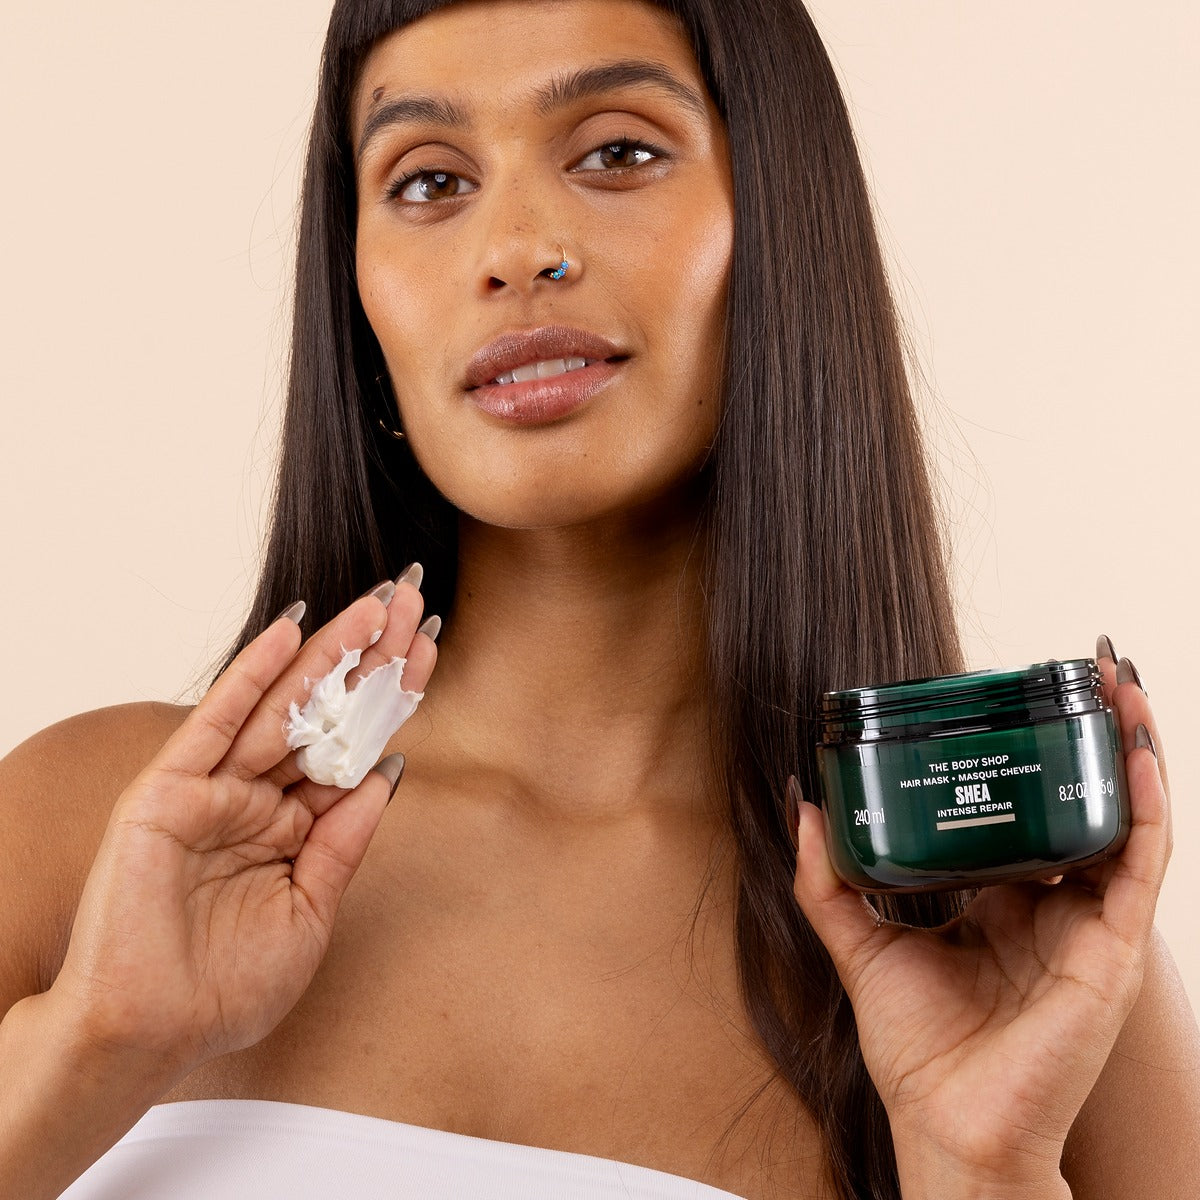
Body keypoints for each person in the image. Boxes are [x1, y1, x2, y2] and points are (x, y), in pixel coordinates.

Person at [1, 0, 1196, 1197]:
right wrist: (94, 1045)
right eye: (427, 180)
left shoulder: (1010, 951)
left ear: (778, 215)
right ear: (356, 287)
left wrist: (976, 1164)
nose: (517, 247)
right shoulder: (89, 836)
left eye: (618, 152)